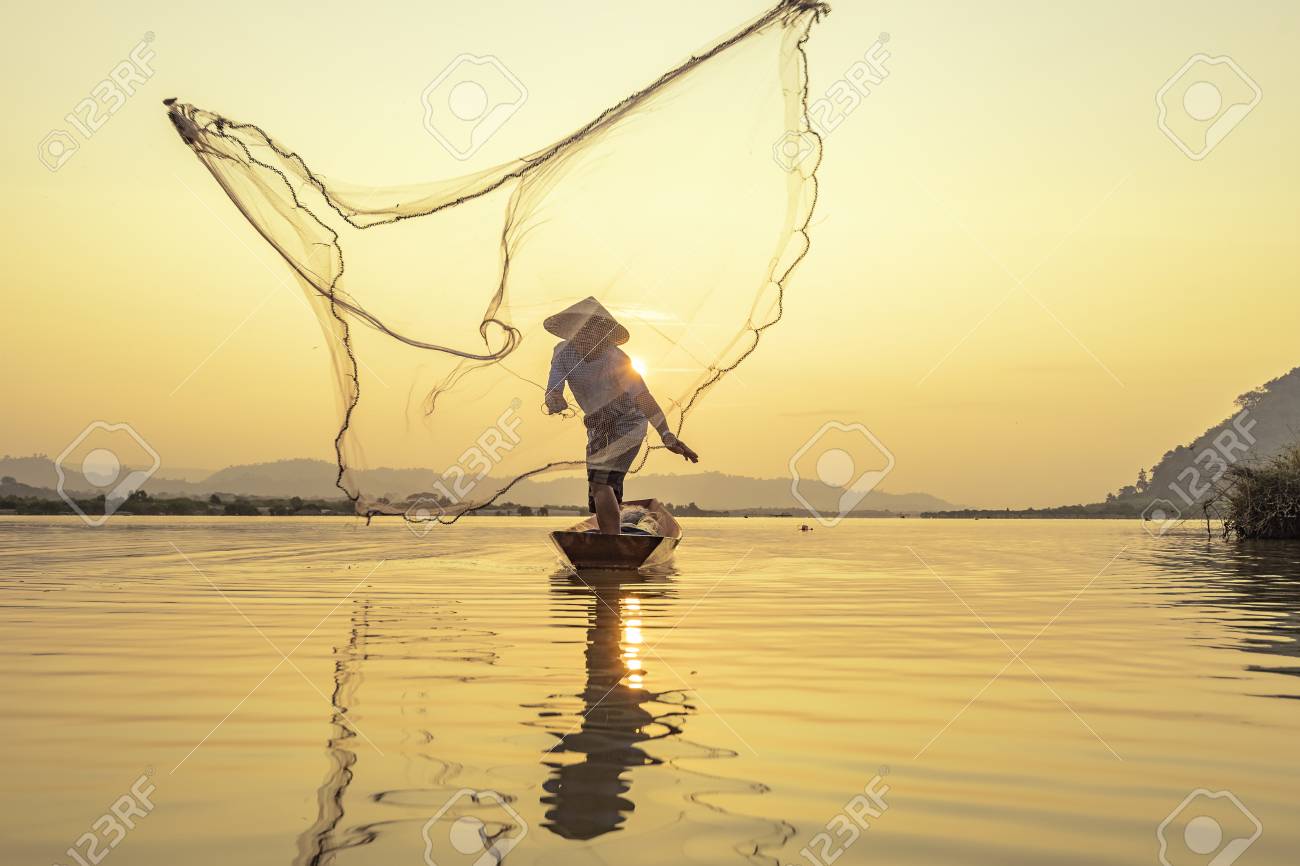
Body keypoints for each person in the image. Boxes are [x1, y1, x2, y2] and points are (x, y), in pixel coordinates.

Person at [543, 297, 699, 534]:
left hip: (629, 424)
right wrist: (554, 400)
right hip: (597, 428)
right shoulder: (563, 353)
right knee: (601, 492)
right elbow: (553, 389)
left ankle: (611, 542)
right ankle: (614, 536)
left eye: (594, 330)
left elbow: (643, 398)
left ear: (604, 334)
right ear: (572, 331)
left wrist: (666, 434)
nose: (587, 337)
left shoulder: (617, 359)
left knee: (600, 480)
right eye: (582, 330)